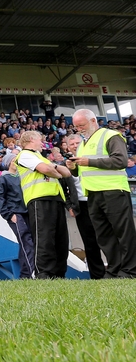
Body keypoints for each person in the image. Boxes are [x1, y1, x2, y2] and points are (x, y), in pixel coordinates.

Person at [67, 109, 136, 278]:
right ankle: (114, 270)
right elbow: (83, 171)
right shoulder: (82, 143)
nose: (79, 129)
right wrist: (74, 168)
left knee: (123, 233)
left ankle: (130, 270)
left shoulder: (110, 135)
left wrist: (88, 161)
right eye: (76, 127)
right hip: (93, 194)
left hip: (113, 190)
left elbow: (120, 161)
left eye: (81, 125)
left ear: (93, 120)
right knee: (104, 236)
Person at [14, 130, 72, 279]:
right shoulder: (25, 155)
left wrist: (54, 169)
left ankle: (59, 274)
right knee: (44, 238)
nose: (42, 143)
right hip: (39, 199)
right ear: (31, 139)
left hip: (56, 199)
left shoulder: (39, 157)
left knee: (61, 239)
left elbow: (67, 172)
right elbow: (47, 169)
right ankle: (44, 273)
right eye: (40, 140)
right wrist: (55, 170)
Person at [64, 134, 105, 279]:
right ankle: (97, 275)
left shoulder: (92, 160)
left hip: (99, 200)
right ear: (68, 147)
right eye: (72, 144)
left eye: (77, 143)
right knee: (89, 241)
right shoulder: (65, 165)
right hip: (81, 205)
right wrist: (69, 206)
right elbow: (63, 189)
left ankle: (116, 270)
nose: (75, 145)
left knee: (107, 237)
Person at [0, 155, 36, 279]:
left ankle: (25, 275)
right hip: (15, 214)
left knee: (27, 242)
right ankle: (32, 272)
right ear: (8, 163)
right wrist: (9, 215)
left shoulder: (23, 176)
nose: (15, 163)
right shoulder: (3, 178)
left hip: (27, 212)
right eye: (13, 160)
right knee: (25, 240)